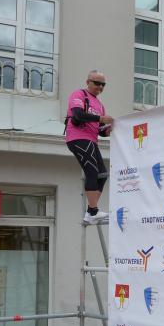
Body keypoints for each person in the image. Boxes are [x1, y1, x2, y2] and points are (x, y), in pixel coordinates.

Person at [65, 70, 114, 224]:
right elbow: (78, 115)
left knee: (102, 174)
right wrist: (101, 119)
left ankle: (91, 211)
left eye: (103, 85)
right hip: (78, 137)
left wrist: (108, 130)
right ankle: (93, 211)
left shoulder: (100, 105)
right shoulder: (79, 94)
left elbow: (100, 130)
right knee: (92, 171)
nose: (100, 87)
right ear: (88, 82)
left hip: (92, 140)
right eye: (97, 83)